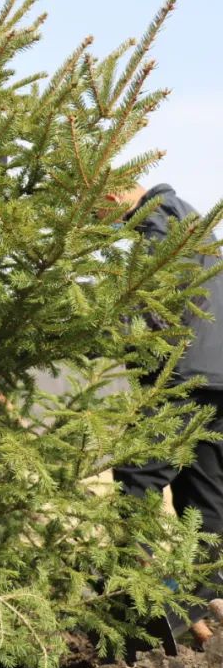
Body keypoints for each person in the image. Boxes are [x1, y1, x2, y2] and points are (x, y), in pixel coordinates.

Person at [108, 183, 223, 643]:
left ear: (114, 194)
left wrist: (115, 329)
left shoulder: (162, 217)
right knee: (207, 494)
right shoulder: (190, 219)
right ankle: (197, 610)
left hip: (182, 376)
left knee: (136, 481)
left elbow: (154, 297)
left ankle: (147, 601)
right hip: (216, 379)